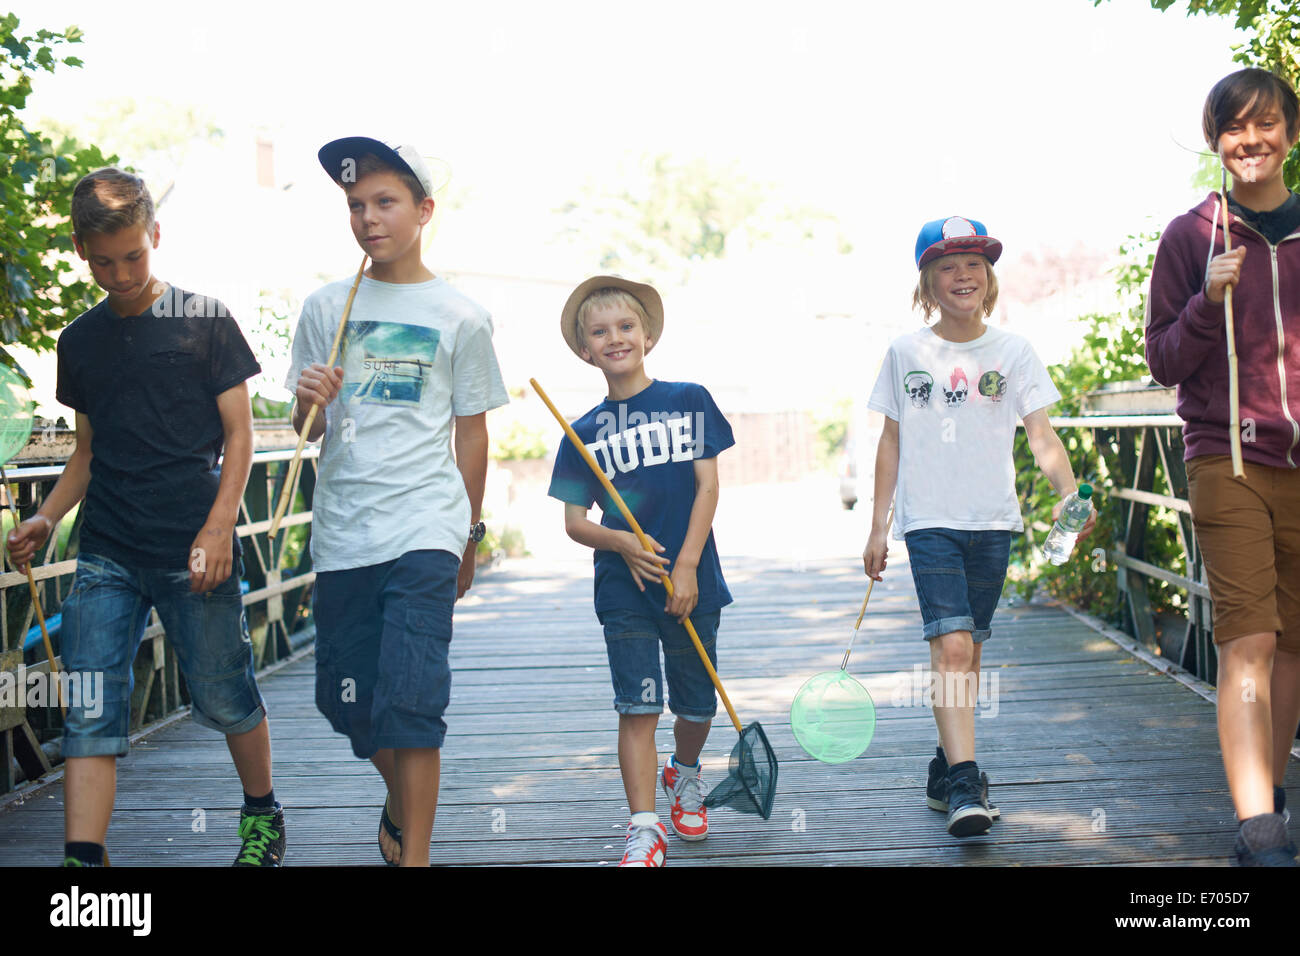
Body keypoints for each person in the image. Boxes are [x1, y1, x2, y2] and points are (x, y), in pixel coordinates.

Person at [4, 166, 281, 866]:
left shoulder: (205, 320)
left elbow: (241, 437)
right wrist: (49, 520)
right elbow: (88, 452)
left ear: (155, 235)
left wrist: (219, 528)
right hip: (107, 549)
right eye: (104, 262)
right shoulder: (80, 341)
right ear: (79, 250)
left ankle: (261, 814)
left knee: (223, 695)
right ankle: (83, 864)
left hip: (195, 544)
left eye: (134, 256)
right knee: (89, 709)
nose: (121, 274)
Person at [289, 137, 507, 866]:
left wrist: (469, 537)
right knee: (346, 703)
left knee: (413, 700)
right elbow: (307, 429)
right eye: (356, 205)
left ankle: (415, 855)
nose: (368, 218)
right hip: (346, 533)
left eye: (385, 203)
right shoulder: (327, 307)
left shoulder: (461, 315)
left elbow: (471, 432)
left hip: (426, 527)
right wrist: (308, 403)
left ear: (424, 211)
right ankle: (399, 797)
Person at [863, 216, 1095, 838]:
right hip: (929, 520)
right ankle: (967, 785)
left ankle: (945, 765)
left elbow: (1041, 436)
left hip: (993, 521)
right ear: (927, 282)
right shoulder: (905, 352)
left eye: (973, 264)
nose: (961, 275)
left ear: (987, 277)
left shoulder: (1013, 352)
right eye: (947, 265)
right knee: (955, 647)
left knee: (968, 654)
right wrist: (878, 527)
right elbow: (891, 441)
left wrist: (1070, 496)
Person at [1145, 68, 1300, 866]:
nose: (1251, 141)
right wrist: (1206, 303)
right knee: (1250, 637)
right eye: (1234, 128)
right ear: (1216, 142)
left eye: (1266, 124)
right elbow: (1162, 361)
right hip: (1227, 462)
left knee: (1294, 644)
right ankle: (1260, 828)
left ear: (1290, 134)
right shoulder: (1190, 237)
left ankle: (1263, 804)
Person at [547, 276, 734, 866]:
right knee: (638, 704)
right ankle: (644, 826)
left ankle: (682, 772)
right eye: (600, 332)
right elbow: (576, 523)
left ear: (647, 334)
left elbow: (708, 486)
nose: (615, 338)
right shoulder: (581, 432)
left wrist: (685, 565)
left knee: (696, 705)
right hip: (623, 587)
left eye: (625, 326)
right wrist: (622, 542)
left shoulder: (689, 399)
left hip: (690, 578)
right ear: (585, 350)